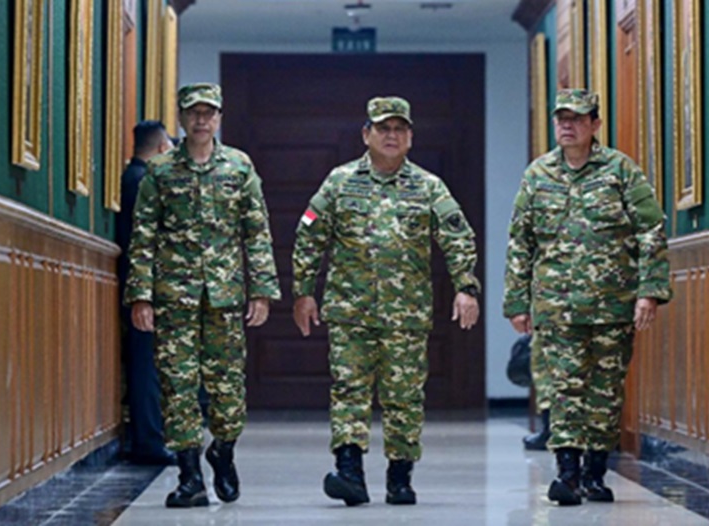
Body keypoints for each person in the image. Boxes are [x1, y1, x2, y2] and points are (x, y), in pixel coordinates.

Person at [292, 96, 481, 507]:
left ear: (410, 137)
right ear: (366, 135)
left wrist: (466, 287)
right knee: (349, 391)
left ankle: (400, 477)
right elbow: (309, 234)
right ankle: (349, 472)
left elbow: (458, 237)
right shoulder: (339, 182)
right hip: (349, 311)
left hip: (406, 315)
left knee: (404, 396)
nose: (391, 136)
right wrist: (303, 291)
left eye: (399, 129)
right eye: (383, 128)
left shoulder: (429, 187)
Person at [502, 89, 671, 506]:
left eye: (576, 118)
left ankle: (596, 472)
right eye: (561, 118)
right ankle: (567, 473)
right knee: (564, 388)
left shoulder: (620, 171)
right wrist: (516, 302)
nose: (567, 125)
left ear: (595, 125)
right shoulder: (538, 175)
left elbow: (651, 231)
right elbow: (520, 242)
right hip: (556, 308)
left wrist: (649, 292)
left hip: (613, 306)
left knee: (605, 392)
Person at [125, 83, 281, 508]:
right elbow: (143, 237)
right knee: (178, 385)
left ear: (219, 117)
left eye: (209, 112)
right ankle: (190, 474)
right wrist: (141, 295)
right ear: (181, 116)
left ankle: (223, 452)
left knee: (228, 388)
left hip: (226, 298)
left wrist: (262, 291)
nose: (201, 120)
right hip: (174, 296)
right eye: (194, 112)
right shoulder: (160, 171)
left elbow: (257, 232)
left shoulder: (238, 167)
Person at [117, 121, 175, 466]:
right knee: (146, 365)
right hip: (145, 288)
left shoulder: (134, 178)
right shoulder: (142, 182)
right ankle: (149, 441)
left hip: (143, 285)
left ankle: (151, 437)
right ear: (161, 148)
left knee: (148, 363)